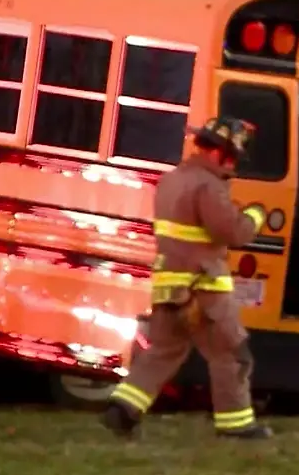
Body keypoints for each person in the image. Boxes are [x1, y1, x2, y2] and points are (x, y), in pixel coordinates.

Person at [101, 116, 272, 440]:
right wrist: (255, 215)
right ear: (219, 152)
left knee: (163, 352)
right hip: (203, 290)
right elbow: (231, 232)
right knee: (232, 354)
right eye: (233, 157)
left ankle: (122, 409)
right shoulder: (209, 185)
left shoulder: (172, 180)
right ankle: (236, 426)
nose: (234, 165)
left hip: (169, 288)